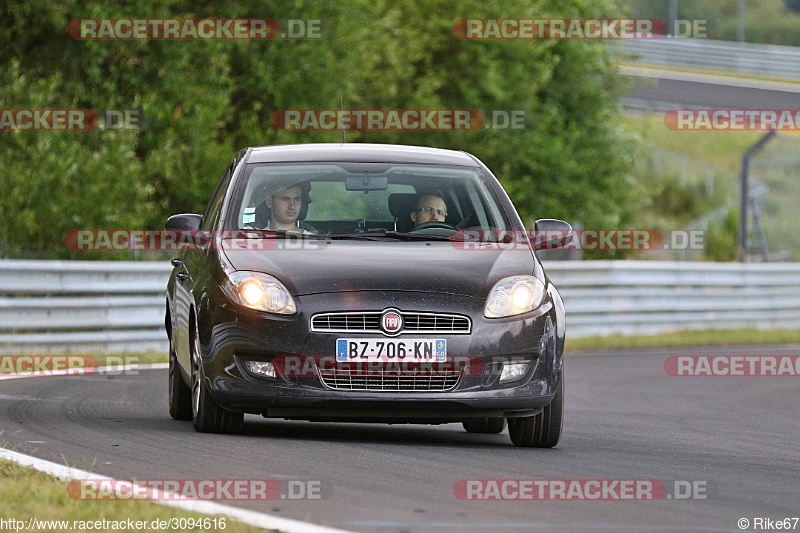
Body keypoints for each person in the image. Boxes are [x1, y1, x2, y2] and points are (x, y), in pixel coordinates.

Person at [250, 182, 316, 234]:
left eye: (297, 199)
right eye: (285, 199)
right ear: (269, 202)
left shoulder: (315, 241)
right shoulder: (254, 237)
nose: (292, 206)